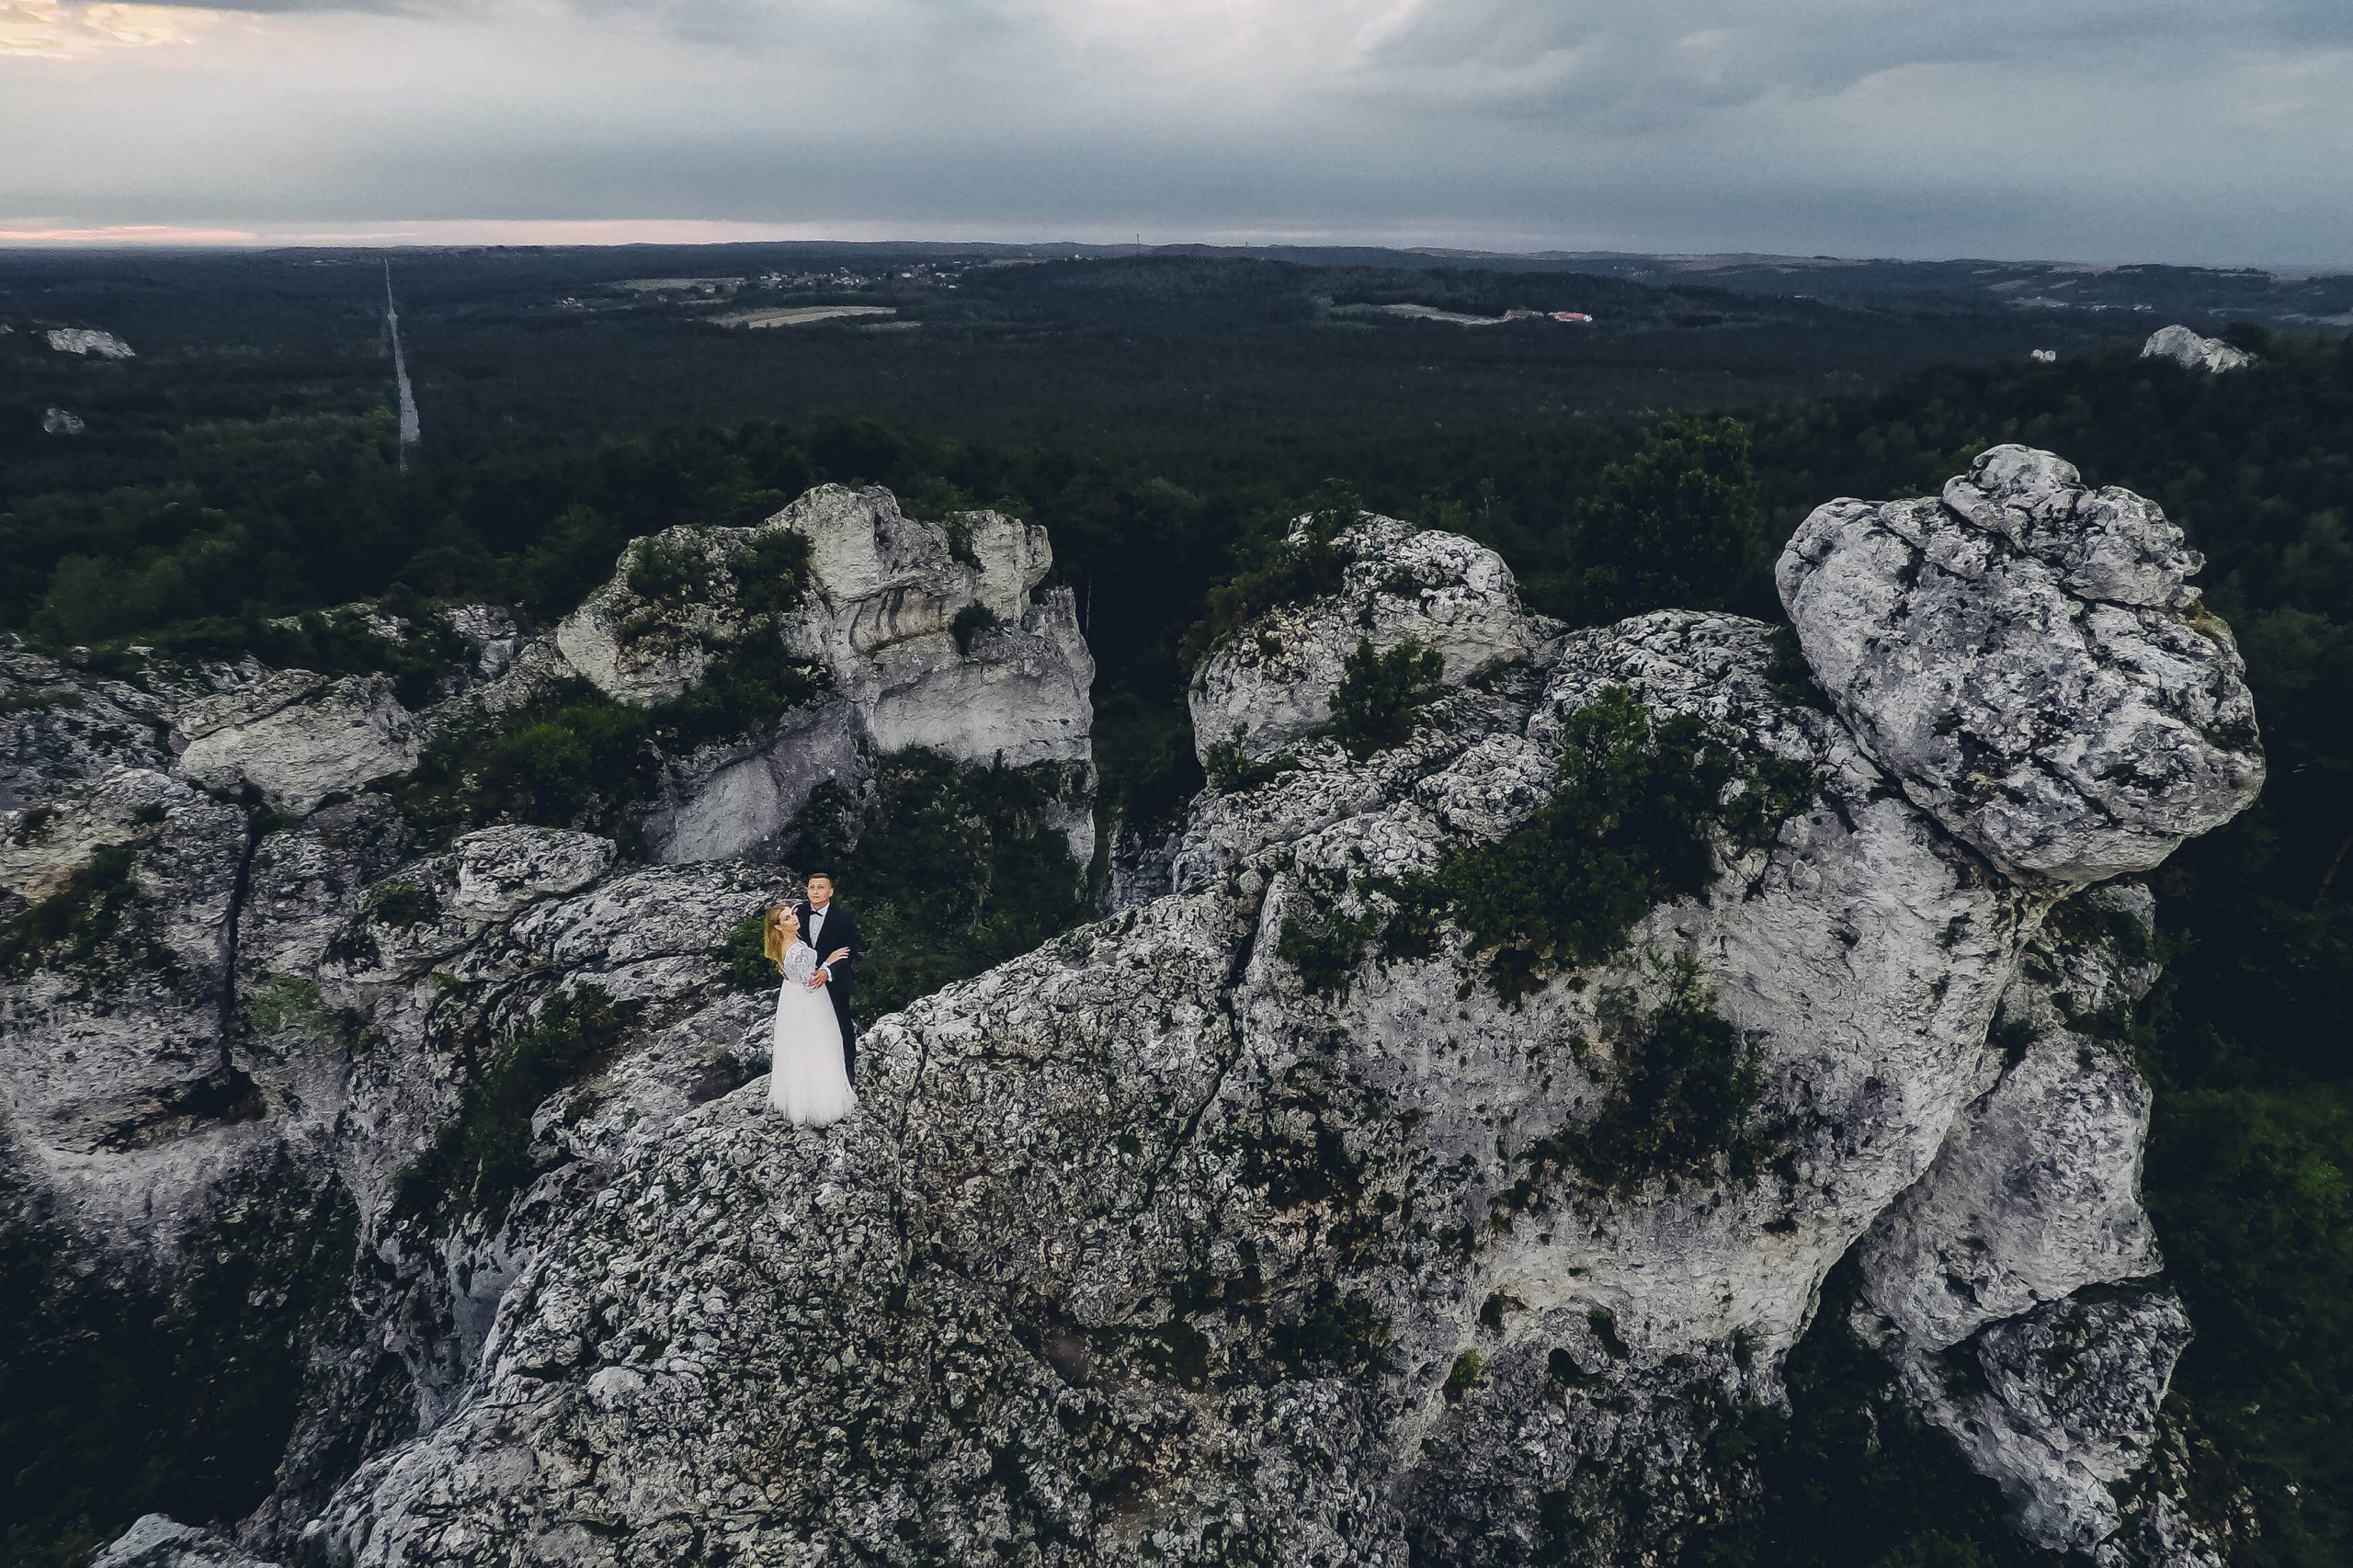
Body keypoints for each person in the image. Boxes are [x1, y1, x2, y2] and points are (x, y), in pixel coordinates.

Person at [764, 904, 856, 1125]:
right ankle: (821, 1102)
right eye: (787, 918)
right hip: (808, 999)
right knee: (820, 1044)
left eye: (793, 914)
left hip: (792, 997)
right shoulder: (795, 950)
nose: (794, 919)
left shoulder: (784, 944)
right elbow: (810, 982)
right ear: (778, 926)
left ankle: (800, 1098)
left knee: (799, 1048)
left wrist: (796, 911)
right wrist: (829, 961)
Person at [790, 873, 862, 1083]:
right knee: (810, 1028)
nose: (815, 891)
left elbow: (850, 952)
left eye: (820, 888)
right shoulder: (797, 914)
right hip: (804, 984)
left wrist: (826, 971)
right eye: (811, 887)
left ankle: (848, 1072)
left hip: (835, 981)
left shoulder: (843, 917)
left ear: (830, 892)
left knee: (841, 1025)